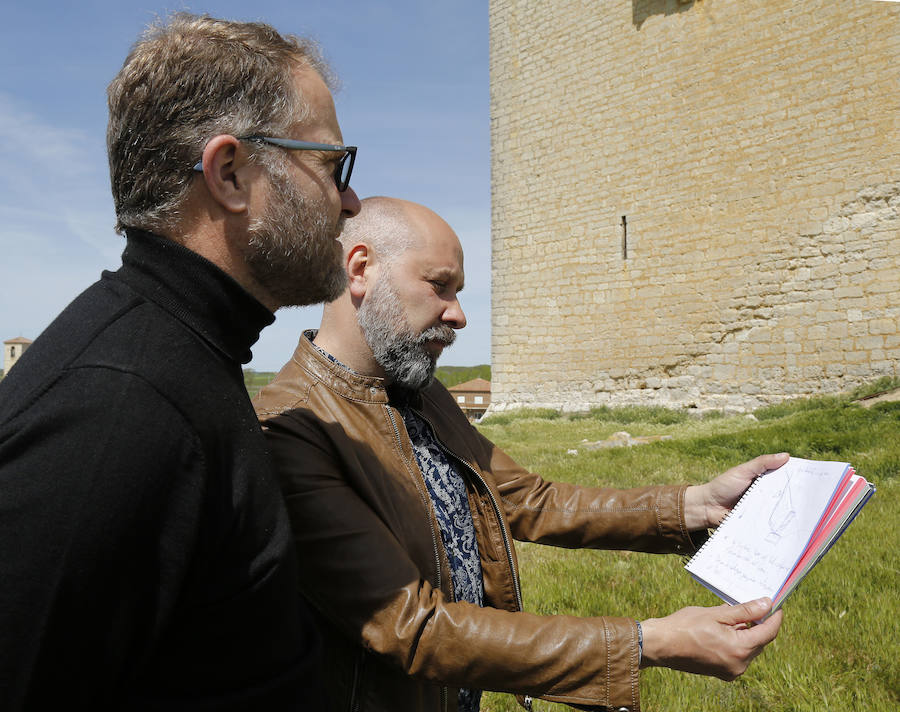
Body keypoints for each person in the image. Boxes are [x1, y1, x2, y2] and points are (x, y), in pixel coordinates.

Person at [253, 196, 785, 712]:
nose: (458, 316)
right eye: (439, 286)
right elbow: (414, 629)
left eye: (459, 291)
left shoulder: (420, 392)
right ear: (360, 269)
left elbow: (527, 499)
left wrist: (695, 506)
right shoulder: (291, 430)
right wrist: (649, 643)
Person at [0, 13, 360, 711]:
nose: (347, 200)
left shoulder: (186, 356)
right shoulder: (118, 409)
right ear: (230, 173)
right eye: (331, 164)